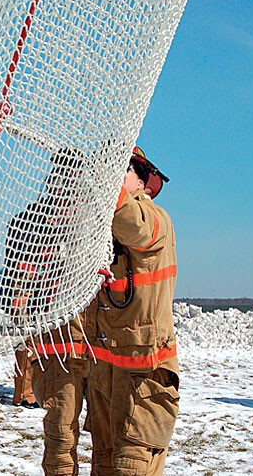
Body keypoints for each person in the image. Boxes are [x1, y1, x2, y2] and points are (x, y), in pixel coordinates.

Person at [85, 146, 178, 475]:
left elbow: (133, 225)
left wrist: (105, 187)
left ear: (141, 183)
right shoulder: (101, 235)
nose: (110, 179)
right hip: (106, 380)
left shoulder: (152, 218)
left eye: (120, 172)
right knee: (104, 466)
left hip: (141, 381)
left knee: (131, 468)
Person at [4, 148, 89, 475]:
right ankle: (23, 394)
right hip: (53, 329)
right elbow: (20, 264)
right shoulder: (35, 218)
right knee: (60, 428)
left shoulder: (91, 218)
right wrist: (21, 299)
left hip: (92, 336)